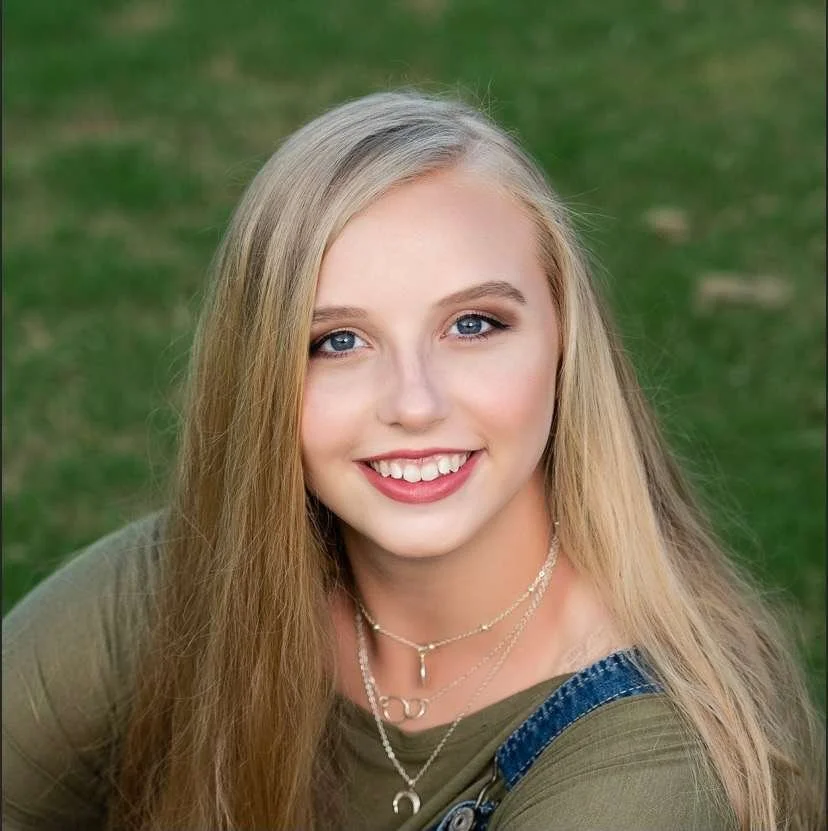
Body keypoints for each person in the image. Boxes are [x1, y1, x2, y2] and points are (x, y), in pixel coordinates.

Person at [3, 91, 824, 831]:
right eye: (338, 341)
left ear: (567, 339)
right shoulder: (184, 586)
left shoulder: (659, 765)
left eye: (472, 325)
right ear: (258, 377)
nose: (415, 402)